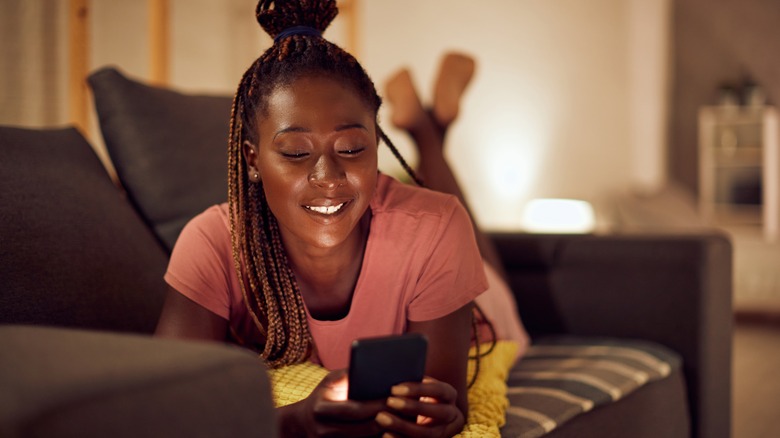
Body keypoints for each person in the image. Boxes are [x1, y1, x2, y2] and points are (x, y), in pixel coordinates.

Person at [384, 54, 529, 352]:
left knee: (486, 271)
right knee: (473, 255)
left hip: (457, 295)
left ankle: (427, 129)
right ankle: (429, 129)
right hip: (464, 298)